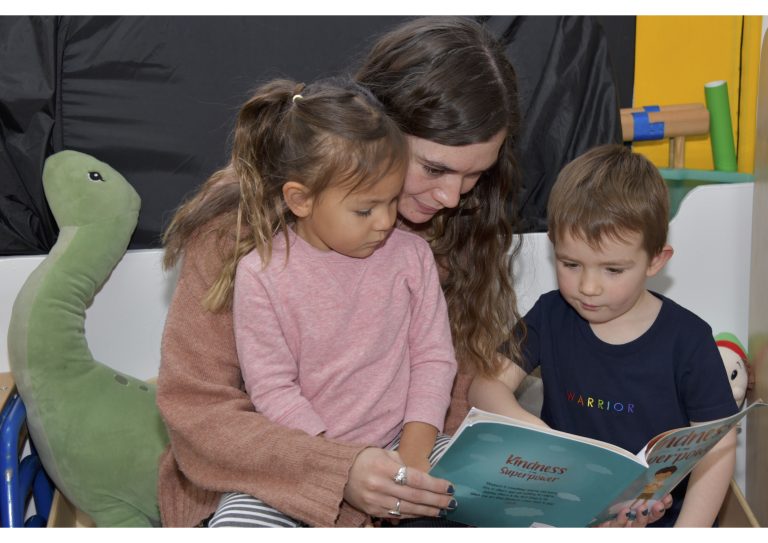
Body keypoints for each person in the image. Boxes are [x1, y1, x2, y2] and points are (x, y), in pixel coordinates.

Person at [156, 17, 662, 528]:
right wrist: (338, 466)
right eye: (435, 169)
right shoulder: (239, 238)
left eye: (475, 175)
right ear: (375, 128)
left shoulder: (445, 237)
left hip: (408, 471)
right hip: (271, 478)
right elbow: (198, 409)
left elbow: (455, 392)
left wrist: (566, 501)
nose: (451, 197)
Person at [204, 77, 457, 527]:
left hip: (406, 438)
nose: (385, 222)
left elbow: (434, 360)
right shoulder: (262, 274)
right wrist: (339, 466)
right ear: (300, 199)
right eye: (365, 209)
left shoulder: (412, 255)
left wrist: (412, 460)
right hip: (304, 456)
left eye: (391, 200)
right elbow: (273, 390)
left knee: (481, 500)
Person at [469, 143, 739, 527]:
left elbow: (719, 446)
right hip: (562, 514)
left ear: (656, 261)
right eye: (571, 264)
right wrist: (539, 434)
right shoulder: (552, 313)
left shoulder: (689, 340)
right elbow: (484, 387)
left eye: (613, 270)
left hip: (655, 520)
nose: (588, 287)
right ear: (553, 247)